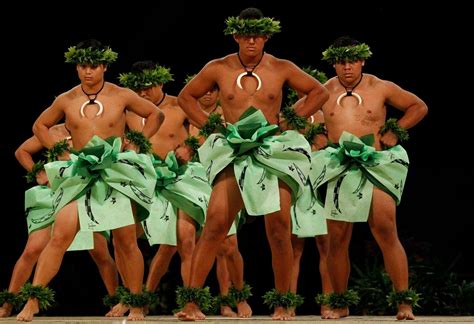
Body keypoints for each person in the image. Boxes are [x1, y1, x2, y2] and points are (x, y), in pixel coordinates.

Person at [175, 7, 328, 321]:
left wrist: (289, 121)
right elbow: (186, 97)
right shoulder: (218, 68)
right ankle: (191, 303)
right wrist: (209, 125)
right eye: (245, 35)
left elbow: (319, 91)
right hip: (235, 150)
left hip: (271, 151)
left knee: (279, 229)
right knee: (216, 223)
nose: (251, 42)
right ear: (235, 36)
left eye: (257, 36)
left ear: (266, 37)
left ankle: (283, 303)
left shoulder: (281, 67)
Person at [16, 39, 163, 322]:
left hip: (114, 172)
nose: (88, 72)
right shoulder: (66, 99)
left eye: (94, 66)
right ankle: (33, 301)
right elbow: (40, 126)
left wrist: (137, 143)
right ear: (77, 67)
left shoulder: (121, 95)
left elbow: (155, 114)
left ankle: (135, 304)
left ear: (105, 67)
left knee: (125, 240)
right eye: (83, 66)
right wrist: (61, 150)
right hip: (81, 172)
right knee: (60, 235)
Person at [311, 36, 428, 320]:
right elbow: (298, 114)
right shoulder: (323, 90)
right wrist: (314, 131)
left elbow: (418, 106)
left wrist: (396, 131)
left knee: (386, 229)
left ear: (363, 60)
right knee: (337, 238)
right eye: (341, 62)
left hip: (374, 163)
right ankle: (339, 302)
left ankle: (404, 303)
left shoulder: (380, 87)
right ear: (334, 63)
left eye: (352, 61)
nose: (347, 67)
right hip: (339, 164)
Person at [117, 61, 208, 316]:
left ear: (161, 83)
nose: (143, 93)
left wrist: (190, 146)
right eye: (138, 89)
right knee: (124, 237)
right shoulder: (129, 110)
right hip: (143, 175)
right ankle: (134, 297)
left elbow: (203, 129)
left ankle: (191, 302)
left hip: (178, 176)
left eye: (148, 88)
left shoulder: (180, 105)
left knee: (184, 240)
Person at [0, 125, 119, 318]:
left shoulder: (92, 128)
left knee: (100, 252)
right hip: (55, 193)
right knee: (32, 250)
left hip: (84, 191)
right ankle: (8, 304)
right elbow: (21, 151)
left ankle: (117, 302)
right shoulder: (53, 131)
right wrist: (39, 174)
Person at [186, 76, 252, 318]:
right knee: (195, 242)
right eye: (203, 91)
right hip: (193, 180)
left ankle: (237, 299)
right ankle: (194, 302)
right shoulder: (189, 114)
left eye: (212, 90)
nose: (207, 95)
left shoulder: (227, 113)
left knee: (229, 245)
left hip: (223, 176)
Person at [286, 67, 334, 319]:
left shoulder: (328, 111)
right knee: (294, 246)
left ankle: (328, 302)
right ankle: (288, 302)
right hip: (299, 178)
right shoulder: (290, 114)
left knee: (327, 244)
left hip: (324, 177)